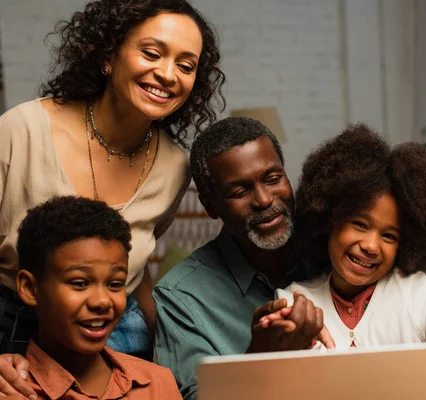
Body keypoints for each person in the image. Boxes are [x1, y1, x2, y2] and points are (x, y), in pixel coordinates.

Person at [0, 0, 225, 362]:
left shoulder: (175, 166)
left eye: (185, 66)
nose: (168, 74)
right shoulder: (21, 130)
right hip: (15, 329)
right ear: (108, 55)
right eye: (152, 53)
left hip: (121, 333)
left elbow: (135, 262)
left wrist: (169, 349)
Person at [269, 124, 426, 346]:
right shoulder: (295, 300)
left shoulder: (420, 294)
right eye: (360, 224)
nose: (371, 245)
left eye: (389, 236)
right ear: (329, 219)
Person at [153, 117, 328, 399]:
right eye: (239, 191)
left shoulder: (330, 252)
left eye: (273, 179)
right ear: (210, 206)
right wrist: (258, 356)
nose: (263, 200)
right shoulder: (180, 297)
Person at [4, 196, 181, 399]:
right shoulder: (12, 390)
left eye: (114, 284)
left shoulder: (157, 384)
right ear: (30, 288)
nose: (102, 301)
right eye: (80, 283)